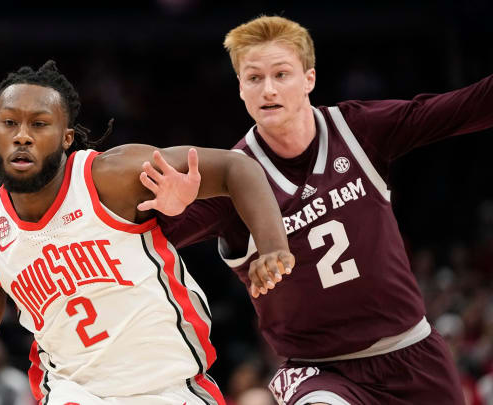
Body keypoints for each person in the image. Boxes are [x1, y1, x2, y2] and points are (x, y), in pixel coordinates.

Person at [0, 60, 294, 405]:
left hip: (170, 388)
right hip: (73, 394)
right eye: (10, 123)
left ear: (66, 137)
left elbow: (237, 168)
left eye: (39, 124)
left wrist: (272, 245)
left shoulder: (111, 176)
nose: (22, 135)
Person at [140, 15, 493, 405]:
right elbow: (148, 241)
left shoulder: (357, 129)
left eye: (281, 74)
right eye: (254, 78)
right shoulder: (233, 177)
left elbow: (463, 108)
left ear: (309, 78)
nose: (268, 89)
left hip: (412, 350)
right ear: (240, 88)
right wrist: (170, 211)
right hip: (318, 370)